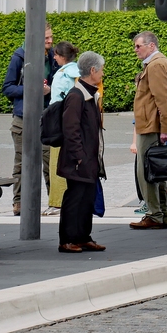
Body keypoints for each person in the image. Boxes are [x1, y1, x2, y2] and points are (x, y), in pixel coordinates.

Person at [2, 22, 56, 216]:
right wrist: (31, 89)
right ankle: (19, 203)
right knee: (21, 163)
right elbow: (7, 88)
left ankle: (54, 203)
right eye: (46, 38)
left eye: (51, 37)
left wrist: (50, 89)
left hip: (45, 118)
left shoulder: (51, 57)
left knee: (50, 161)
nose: (50, 41)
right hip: (23, 118)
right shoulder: (19, 57)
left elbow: (55, 82)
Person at [130, 31, 167, 230]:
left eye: (138, 46)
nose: (135, 50)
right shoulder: (160, 63)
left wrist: (164, 128)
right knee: (158, 170)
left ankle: (154, 214)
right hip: (154, 124)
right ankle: (161, 214)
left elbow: (164, 100)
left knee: (147, 171)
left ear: (151, 46)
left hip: (151, 126)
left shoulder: (156, 65)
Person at [57, 51, 106, 253]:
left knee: (87, 197)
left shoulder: (88, 94)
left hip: (88, 158)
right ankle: (67, 239)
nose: (103, 73)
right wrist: (79, 157)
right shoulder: (76, 96)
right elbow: (71, 129)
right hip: (78, 159)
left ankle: (83, 236)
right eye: (101, 69)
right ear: (92, 70)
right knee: (75, 197)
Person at [44, 41, 81, 217]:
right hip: (77, 121)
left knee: (56, 163)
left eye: (57, 55)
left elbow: (56, 101)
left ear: (62, 56)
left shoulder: (61, 74)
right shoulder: (80, 72)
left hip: (60, 121)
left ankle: (57, 202)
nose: (55, 57)